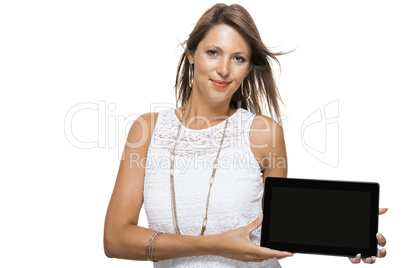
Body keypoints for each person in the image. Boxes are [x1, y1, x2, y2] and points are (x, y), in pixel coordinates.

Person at [103, 3, 387, 267]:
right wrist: (216, 245)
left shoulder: (263, 133)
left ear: (248, 68)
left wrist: (339, 230)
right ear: (191, 55)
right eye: (213, 52)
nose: (224, 70)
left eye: (238, 58)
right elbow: (115, 240)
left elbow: (279, 228)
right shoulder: (148, 129)